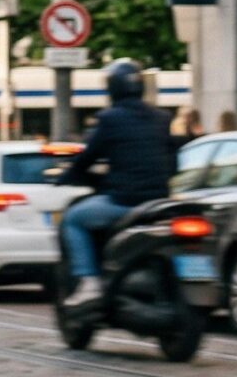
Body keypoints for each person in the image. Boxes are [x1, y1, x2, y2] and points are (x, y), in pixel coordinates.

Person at [55, 59, 175, 309]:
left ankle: (88, 281)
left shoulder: (109, 119)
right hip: (159, 202)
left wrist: (68, 174)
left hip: (125, 202)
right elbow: (173, 162)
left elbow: (87, 158)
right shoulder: (161, 118)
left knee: (73, 219)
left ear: (112, 88)